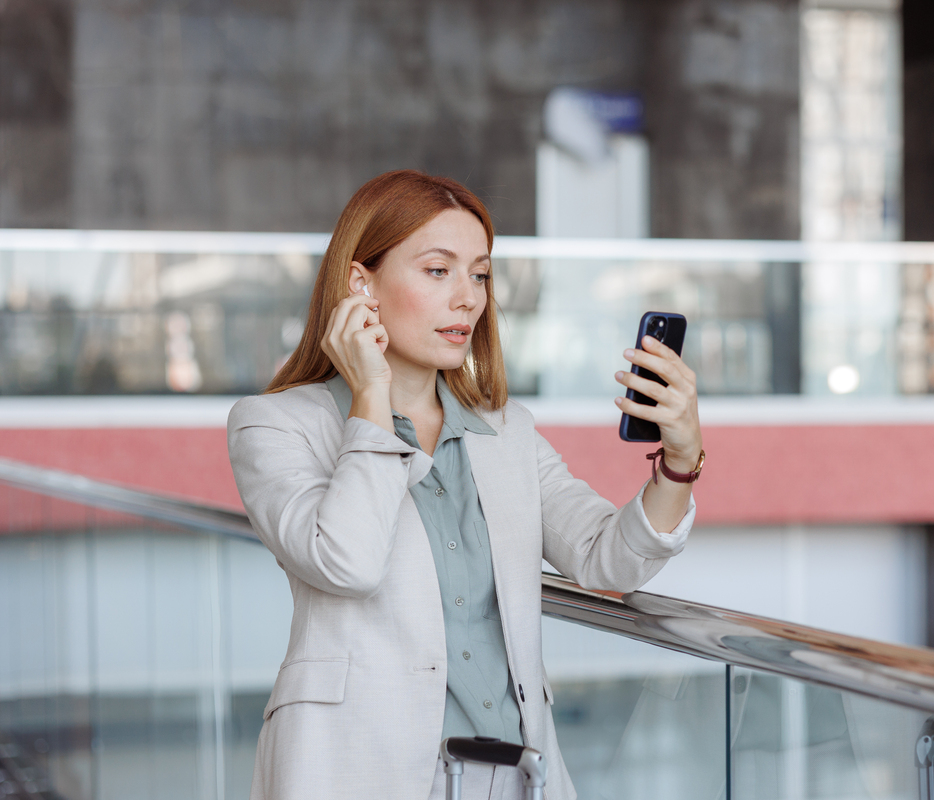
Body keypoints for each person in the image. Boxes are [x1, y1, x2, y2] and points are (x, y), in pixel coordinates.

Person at [226, 170, 704, 800]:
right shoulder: (278, 424)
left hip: (511, 775)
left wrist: (680, 455)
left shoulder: (505, 432)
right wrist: (371, 395)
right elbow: (347, 562)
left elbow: (607, 556)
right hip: (355, 771)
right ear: (360, 282)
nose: (468, 299)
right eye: (437, 270)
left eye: (479, 274)